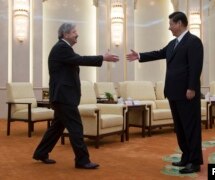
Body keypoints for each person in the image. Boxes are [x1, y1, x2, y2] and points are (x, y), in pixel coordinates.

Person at [33, 22, 119, 169]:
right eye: (74, 32)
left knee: (57, 127)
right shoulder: (61, 47)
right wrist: (102, 58)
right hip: (63, 97)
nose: (76, 34)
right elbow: (80, 59)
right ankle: (82, 160)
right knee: (76, 128)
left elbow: (76, 60)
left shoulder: (64, 48)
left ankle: (41, 153)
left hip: (62, 96)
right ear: (65, 34)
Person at [126, 11, 203, 174]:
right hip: (173, 92)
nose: (169, 28)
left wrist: (192, 88)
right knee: (180, 127)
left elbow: (196, 67)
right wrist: (139, 55)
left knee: (190, 127)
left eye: (171, 24)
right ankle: (186, 157)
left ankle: (195, 162)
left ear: (180, 23)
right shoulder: (173, 43)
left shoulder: (194, 42)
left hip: (187, 93)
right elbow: (159, 53)